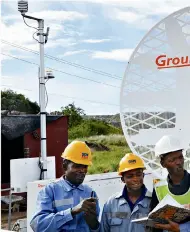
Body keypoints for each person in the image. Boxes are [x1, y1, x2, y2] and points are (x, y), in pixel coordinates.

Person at [30, 141, 100, 232]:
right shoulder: (50, 191)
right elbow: (38, 225)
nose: (82, 170)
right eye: (77, 166)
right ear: (64, 165)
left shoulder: (90, 193)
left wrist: (93, 223)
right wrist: (72, 212)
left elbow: (97, 229)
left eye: (85, 167)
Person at [100, 153, 152, 232]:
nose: (135, 179)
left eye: (138, 174)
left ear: (143, 175)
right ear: (123, 179)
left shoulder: (154, 201)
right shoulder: (111, 204)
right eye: (130, 176)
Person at [150, 135, 190, 232]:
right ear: (163, 164)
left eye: (180, 157)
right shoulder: (159, 189)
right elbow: (154, 224)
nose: (179, 162)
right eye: (172, 160)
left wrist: (181, 229)